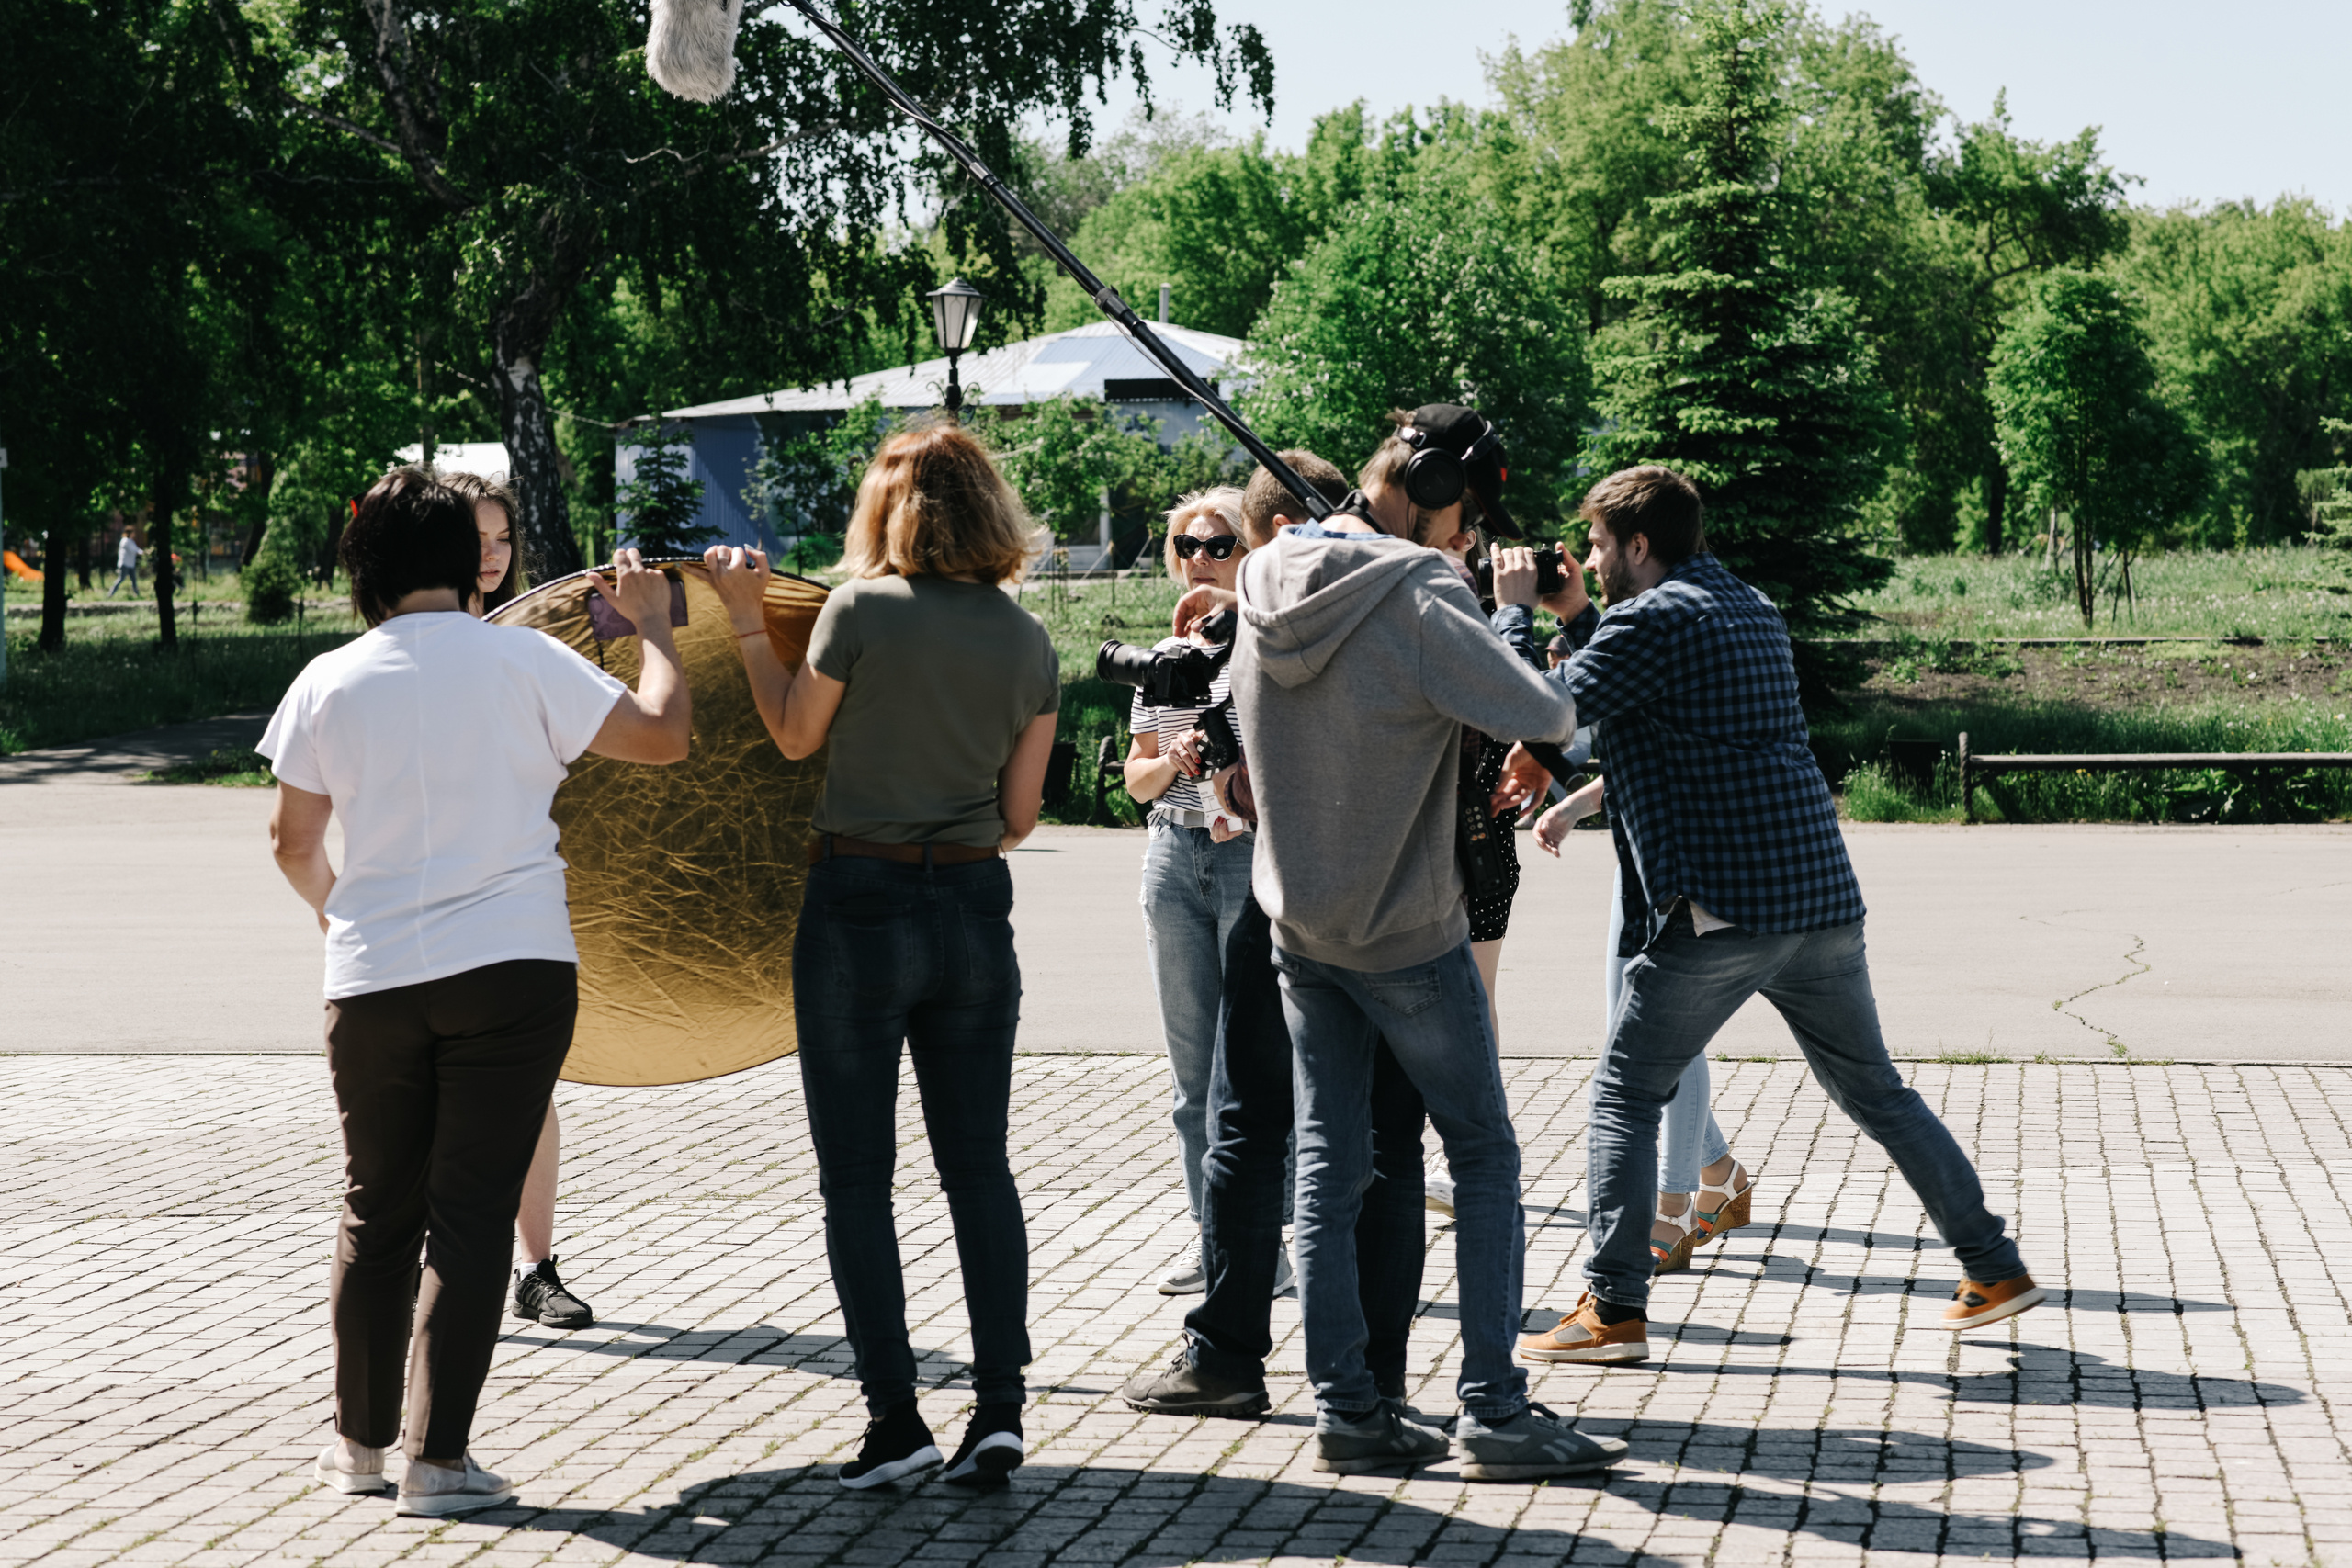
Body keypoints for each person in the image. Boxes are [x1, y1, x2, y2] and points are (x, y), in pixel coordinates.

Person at [1498, 466, 2044, 1368]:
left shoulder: (1649, 619)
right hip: (1817, 901)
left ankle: (1612, 1309)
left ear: (1637, 545)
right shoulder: (1744, 605)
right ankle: (1992, 1266)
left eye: (1596, 547)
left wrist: (1514, 611)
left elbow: (1532, 707)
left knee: (1627, 1095)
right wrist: (1572, 616)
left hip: (1718, 909)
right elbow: (1634, 689)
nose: (1588, 562)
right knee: (1877, 1092)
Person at [261, 468, 691, 1516]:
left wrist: (340, 914)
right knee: (469, 1218)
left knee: (375, 1210)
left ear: (365, 566)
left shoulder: (327, 679)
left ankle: (358, 1448)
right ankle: (439, 1463)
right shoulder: (521, 657)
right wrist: (658, 636)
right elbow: (661, 737)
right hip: (511, 965)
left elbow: (291, 842)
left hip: (370, 979)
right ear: (469, 558)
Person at [1222, 442, 1626, 1481]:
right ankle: (1494, 1411)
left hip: (1299, 925)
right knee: (1484, 1156)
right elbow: (1546, 714)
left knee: (1329, 1166)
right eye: (1464, 523)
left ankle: (1348, 1411)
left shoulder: (1265, 570)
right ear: (1437, 495)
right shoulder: (1415, 596)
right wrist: (1501, 612)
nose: (1468, 541)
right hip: (1407, 931)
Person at [704, 419, 1059, 1493]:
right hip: (971, 905)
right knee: (978, 1168)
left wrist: (739, 624)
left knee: (858, 1180)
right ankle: (999, 1410)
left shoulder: (858, 611)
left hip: (856, 903)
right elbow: (1019, 817)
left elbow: (794, 735)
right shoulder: (1025, 637)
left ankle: (895, 1420)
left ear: (888, 511)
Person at [1118, 451, 1434, 1434]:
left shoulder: (1258, 619)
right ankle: (1375, 1379)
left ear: (1257, 538)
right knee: (1385, 1138)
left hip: (1279, 889)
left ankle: (1225, 1355)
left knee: (1247, 1119)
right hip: (1397, 895)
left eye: (1229, 545)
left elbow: (1227, 764)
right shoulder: (1405, 598)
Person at [439, 470, 595, 1331]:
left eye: (504, 539)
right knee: (438, 1100)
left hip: (516, 902)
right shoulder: (412, 643)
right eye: (477, 539)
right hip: (433, 905)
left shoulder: (528, 636)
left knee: (529, 1093)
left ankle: (536, 1268)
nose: (493, 556)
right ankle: (446, 1266)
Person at [1122, 487, 1262, 1296]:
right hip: (1174, 858)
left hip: (1248, 857)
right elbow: (1139, 783)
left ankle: (1269, 1239)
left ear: (1250, 553)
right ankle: (1215, 1240)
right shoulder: (1161, 657)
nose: (1200, 559)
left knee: (1252, 1063)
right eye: (1186, 546)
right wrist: (1175, 759)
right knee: (1191, 1074)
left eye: (1219, 543)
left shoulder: (1268, 643)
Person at [106, 528, 143, 598]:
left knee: (134, 579)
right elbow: (133, 550)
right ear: (129, 533)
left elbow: (136, 549)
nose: (134, 534)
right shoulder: (125, 541)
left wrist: (142, 552)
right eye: (133, 533)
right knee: (121, 579)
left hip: (131, 564)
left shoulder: (131, 541)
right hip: (125, 564)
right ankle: (111, 593)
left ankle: (137, 594)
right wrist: (142, 553)